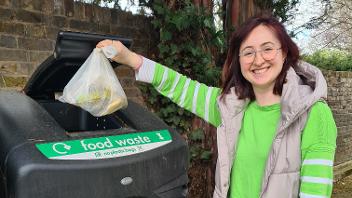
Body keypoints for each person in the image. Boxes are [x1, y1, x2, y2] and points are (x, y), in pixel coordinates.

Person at [97, 15, 337, 198]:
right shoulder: (232, 107)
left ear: (284, 52)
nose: (258, 60)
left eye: (267, 48)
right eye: (248, 52)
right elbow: (181, 87)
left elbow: (316, 191)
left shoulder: (313, 113)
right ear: (239, 60)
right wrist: (130, 59)